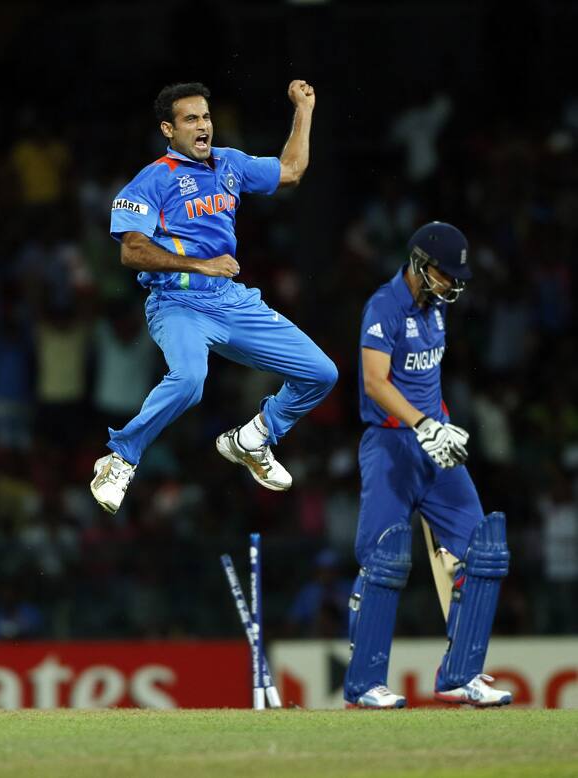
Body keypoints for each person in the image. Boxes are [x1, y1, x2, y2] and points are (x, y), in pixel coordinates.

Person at [90, 80, 337, 514]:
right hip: (176, 303)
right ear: (169, 129)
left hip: (230, 299)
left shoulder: (230, 163)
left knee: (321, 373)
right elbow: (131, 251)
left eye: (206, 117)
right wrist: (199, 264)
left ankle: (254, 438)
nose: (203, 126)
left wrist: (304, 110)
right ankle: (120, 458)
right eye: (190, 119)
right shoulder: (153, 179)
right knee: (189, 380)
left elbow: (292, 171)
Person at [344, 222, 512, 709]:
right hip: (391, 447)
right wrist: (422, 425)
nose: (453, 283)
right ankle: (364, 685)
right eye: (445, 273)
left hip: (433, 444)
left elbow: (425, 382)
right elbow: (375, 383)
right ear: (419, 264)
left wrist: (440, 428)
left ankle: (462, 675)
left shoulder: (438, 308)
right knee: (385, 559)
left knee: (486, 550)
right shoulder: (383, 306)